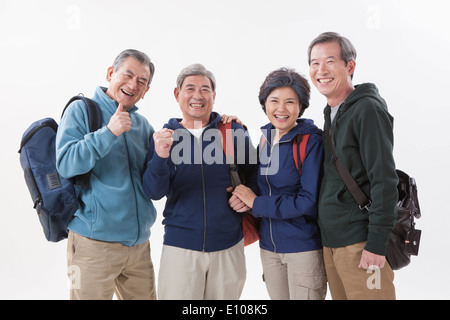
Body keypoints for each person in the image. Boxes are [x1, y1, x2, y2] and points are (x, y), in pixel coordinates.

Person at [142, 63, 258, 300]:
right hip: (180, 249)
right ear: (177, 94)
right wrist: (160, 157)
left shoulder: (233, 132)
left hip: (228, 245)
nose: (197, 95)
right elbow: (154, 192)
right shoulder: (163, 138)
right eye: (190, 88)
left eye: (205, 89)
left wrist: (248, 197)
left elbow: (257, 176)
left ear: (214, 96)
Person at [56, 49, 158, 300]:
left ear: (145, 91)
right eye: (128, 74)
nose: (133, 84)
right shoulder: (81, 110)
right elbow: (66, 163)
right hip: (94, 243)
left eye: (142, 81)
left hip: (138, 246)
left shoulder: (143, 125)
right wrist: (108, 133)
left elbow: (154, 180)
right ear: (111, 73)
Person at [308, 32, 398, 300]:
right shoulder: (332, 111)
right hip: (333, 243)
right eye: (314, 63)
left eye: (329, 61)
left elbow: (384, 179)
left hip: (361, 244)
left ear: (350, 66)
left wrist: (377, 244)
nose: (320, 70)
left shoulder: (366, 110)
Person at [232, 68, 327, 300]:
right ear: (265, 104)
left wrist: (256, 203)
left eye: (290, 102)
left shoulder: (311, 141)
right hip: (269, 249)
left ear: (301, 106)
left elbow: (308, 201)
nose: (281, 109)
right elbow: (258, 182)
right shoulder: (265, 139)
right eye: (274, 101)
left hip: (303, 249)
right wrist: (244, 199)